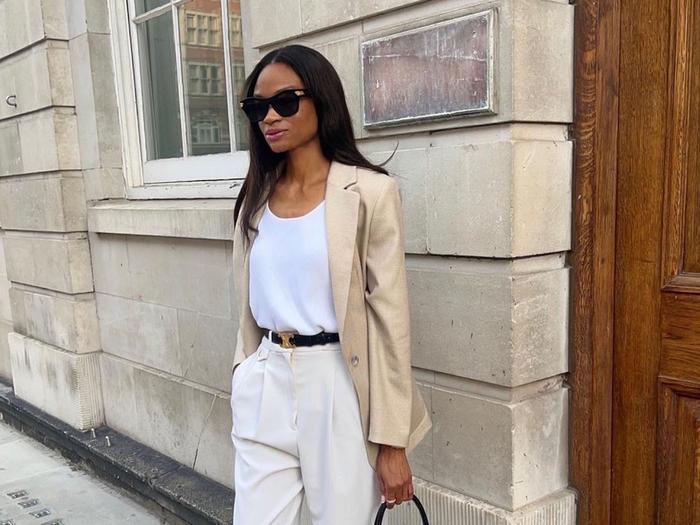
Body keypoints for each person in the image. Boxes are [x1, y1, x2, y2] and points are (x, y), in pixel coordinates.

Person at [230, 43, 432, 525]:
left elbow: (390, 321)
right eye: (258, 107)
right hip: (266, 380)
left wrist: (391, 442)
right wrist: (244, 373)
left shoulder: (369, 193)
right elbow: (248, 302)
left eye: (285, 102)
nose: (269, 117)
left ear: (321, 99)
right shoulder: (256, 195)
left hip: (338, 382)